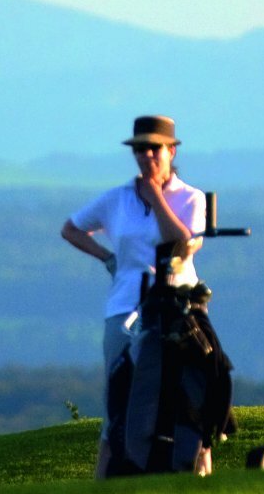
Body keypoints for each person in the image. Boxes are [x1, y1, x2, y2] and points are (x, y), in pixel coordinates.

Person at [60, 115, 206, 474]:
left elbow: (182, 246)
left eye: (154, 149)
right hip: (125, 302)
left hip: (177, 306)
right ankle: (108, 477)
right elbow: (71, 229)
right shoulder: (118, 199)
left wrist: (156, 195)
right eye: (140, 149)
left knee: (188, 392)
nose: (146, 157)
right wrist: (109, 259)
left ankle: (198, 471)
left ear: (171, 151)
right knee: (118, 395)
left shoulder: (191, 198)